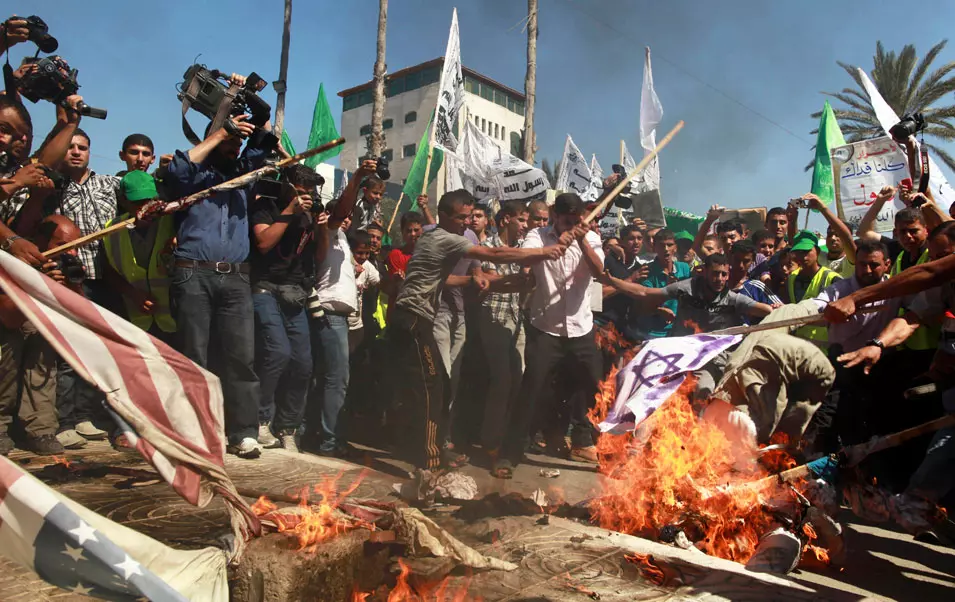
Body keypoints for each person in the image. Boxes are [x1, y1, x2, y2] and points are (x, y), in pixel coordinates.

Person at [390, 189, 565, 473]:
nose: (467, 223)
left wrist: (492, 282)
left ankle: (426, 450)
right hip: (412, 319)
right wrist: (544, 251)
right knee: (433, 388)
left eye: (470, 217)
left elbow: (449, 279)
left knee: (438, 387)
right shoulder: (441, 237)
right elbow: (493, 253)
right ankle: (429, 460)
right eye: (461, 217)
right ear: (443, 216)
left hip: (417, 319)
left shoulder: (440, 241)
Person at [163, 112, 278, 459]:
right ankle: (193, 432)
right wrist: (219, 133)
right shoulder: (194, 173)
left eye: (237, 141)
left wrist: (258, 111)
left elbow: (267, 140)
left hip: (236, 277)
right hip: (192, 272)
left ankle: (243, 433)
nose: (234, 146)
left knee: (241, 358)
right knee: (194, 356)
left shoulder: (244, 173)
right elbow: (175, 173)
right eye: (228, 139)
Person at [493, 193, 605, 477]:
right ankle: (509, 454)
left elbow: (599, 272)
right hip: (546, 330)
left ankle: (609, 453)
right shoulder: (538, 235)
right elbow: (526, 258)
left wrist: (579, 240)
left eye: (575, 218)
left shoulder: (590, 238)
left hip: (581, 330)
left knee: (599, 390)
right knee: (530, 389)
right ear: (555, 214)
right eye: (565, 219)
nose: (570, 223)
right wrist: (550, 249)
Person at [603, 253, 773, 400]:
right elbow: (645, 293)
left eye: (723, 274)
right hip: (675, 351)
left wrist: (776, 310)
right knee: (631, 359)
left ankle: (697, 432)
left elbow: (763, 310)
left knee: (702, 390)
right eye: (715, 274)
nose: (719, 279)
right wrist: (614, 282)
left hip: (708, 359)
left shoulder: (732, 299)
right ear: (704, 272)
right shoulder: (686, 288)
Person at [249, 165, 330, 453]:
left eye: (310, 193)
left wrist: (321, 226)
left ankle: (288, 427)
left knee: (303, 362)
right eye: (301, 192)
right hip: (264, 286)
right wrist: (289, 212)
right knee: (277, 352)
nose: (306, 198)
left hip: (295, 291)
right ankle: (260, 419)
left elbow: (320, 256)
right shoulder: (268, 206)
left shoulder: (310, 214)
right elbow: (263, 243)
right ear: (287, 187)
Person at [308, 159, 377, 457]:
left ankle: (320, 436)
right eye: (343, 215)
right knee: (336, 379)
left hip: (341, 319)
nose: (348, 219)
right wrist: (360, 177)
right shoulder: (326, 233)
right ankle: (327, 442)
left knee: (327, 378)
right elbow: (342, 210)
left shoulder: (344, 243)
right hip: (331, 316)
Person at [804, 240, 897, 452]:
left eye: (874, 265)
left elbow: (918, 311)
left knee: (872, 423)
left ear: (887, 265)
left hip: (879, 366)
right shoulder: (839, 290)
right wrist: (816, 310)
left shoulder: (897, 288)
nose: (867, 270)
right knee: (826, 421)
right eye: (862, 264)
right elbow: (817, 305)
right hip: (842, 364)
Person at [475, 201, 529, 453]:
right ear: (506, 219)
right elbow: (490, 280)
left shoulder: (523, 251)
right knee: (501, 379)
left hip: (517, 318)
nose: (525, 226)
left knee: (519, 378)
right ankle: (491, 440)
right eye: (522, 220)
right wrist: (519, 281)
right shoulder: (486, 248)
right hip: (493, 318)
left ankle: (507, 437)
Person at [102, 171, 176, 342]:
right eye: (137, 202)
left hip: (174, 321)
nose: (144, 206)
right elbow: (108, 271)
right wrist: (132, 294)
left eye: (149, 200)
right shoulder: (111, 230)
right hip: (136, 323)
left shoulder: (173, 223)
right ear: (123, 201)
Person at [783, 230, 841, 347]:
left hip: (826, 349)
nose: (803, 256)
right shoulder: (791, 278)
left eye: (807, 251)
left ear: (817, 251)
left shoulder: (833, 279)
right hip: (798, 347)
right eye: (799, 252)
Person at [598, 224, 649, 342]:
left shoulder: (641, 269)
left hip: (626, 329)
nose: (636, 242)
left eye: (639, 238)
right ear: (622, 242)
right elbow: (599, 294)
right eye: (631, 238)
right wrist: (629, 281)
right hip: (603, 325)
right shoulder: (609, 262)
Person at [638, 229, 691, 339]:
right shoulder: (647, 271)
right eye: (661, 245)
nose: (666, 249)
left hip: (680, 330)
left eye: (669, 245)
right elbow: (643, 306)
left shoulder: (684, 268)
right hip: (654, 332)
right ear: (655, 247)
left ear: (675, 247)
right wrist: (660, 310)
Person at [347, 229, 381, 352]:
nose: (363, 257)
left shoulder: (367, 266)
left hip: (357, 324)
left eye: (366, 253)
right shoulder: (344, 264)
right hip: (343, 323)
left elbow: (378, 281)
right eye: (359, 253)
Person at [728, 239, 781, 309]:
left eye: (746, 261)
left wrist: (776, 307)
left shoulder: (757, 287)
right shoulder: (719, 283)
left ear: (753, 261)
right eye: (737, 259)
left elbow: (781, 309)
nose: (741, 265)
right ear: (730, 257)